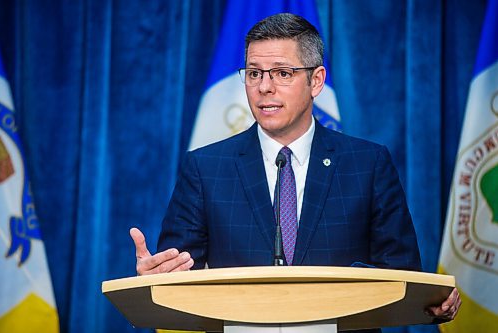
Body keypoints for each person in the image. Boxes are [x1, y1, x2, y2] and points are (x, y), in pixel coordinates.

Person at [130, 13, 460, 328]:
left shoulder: (368, 164)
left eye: (282, 73)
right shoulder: (204, 168)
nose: (264, 87)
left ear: (316, 81)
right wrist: (155, 282)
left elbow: (403, 276)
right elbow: (175, 278)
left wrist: (434, 303)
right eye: (254, 72)